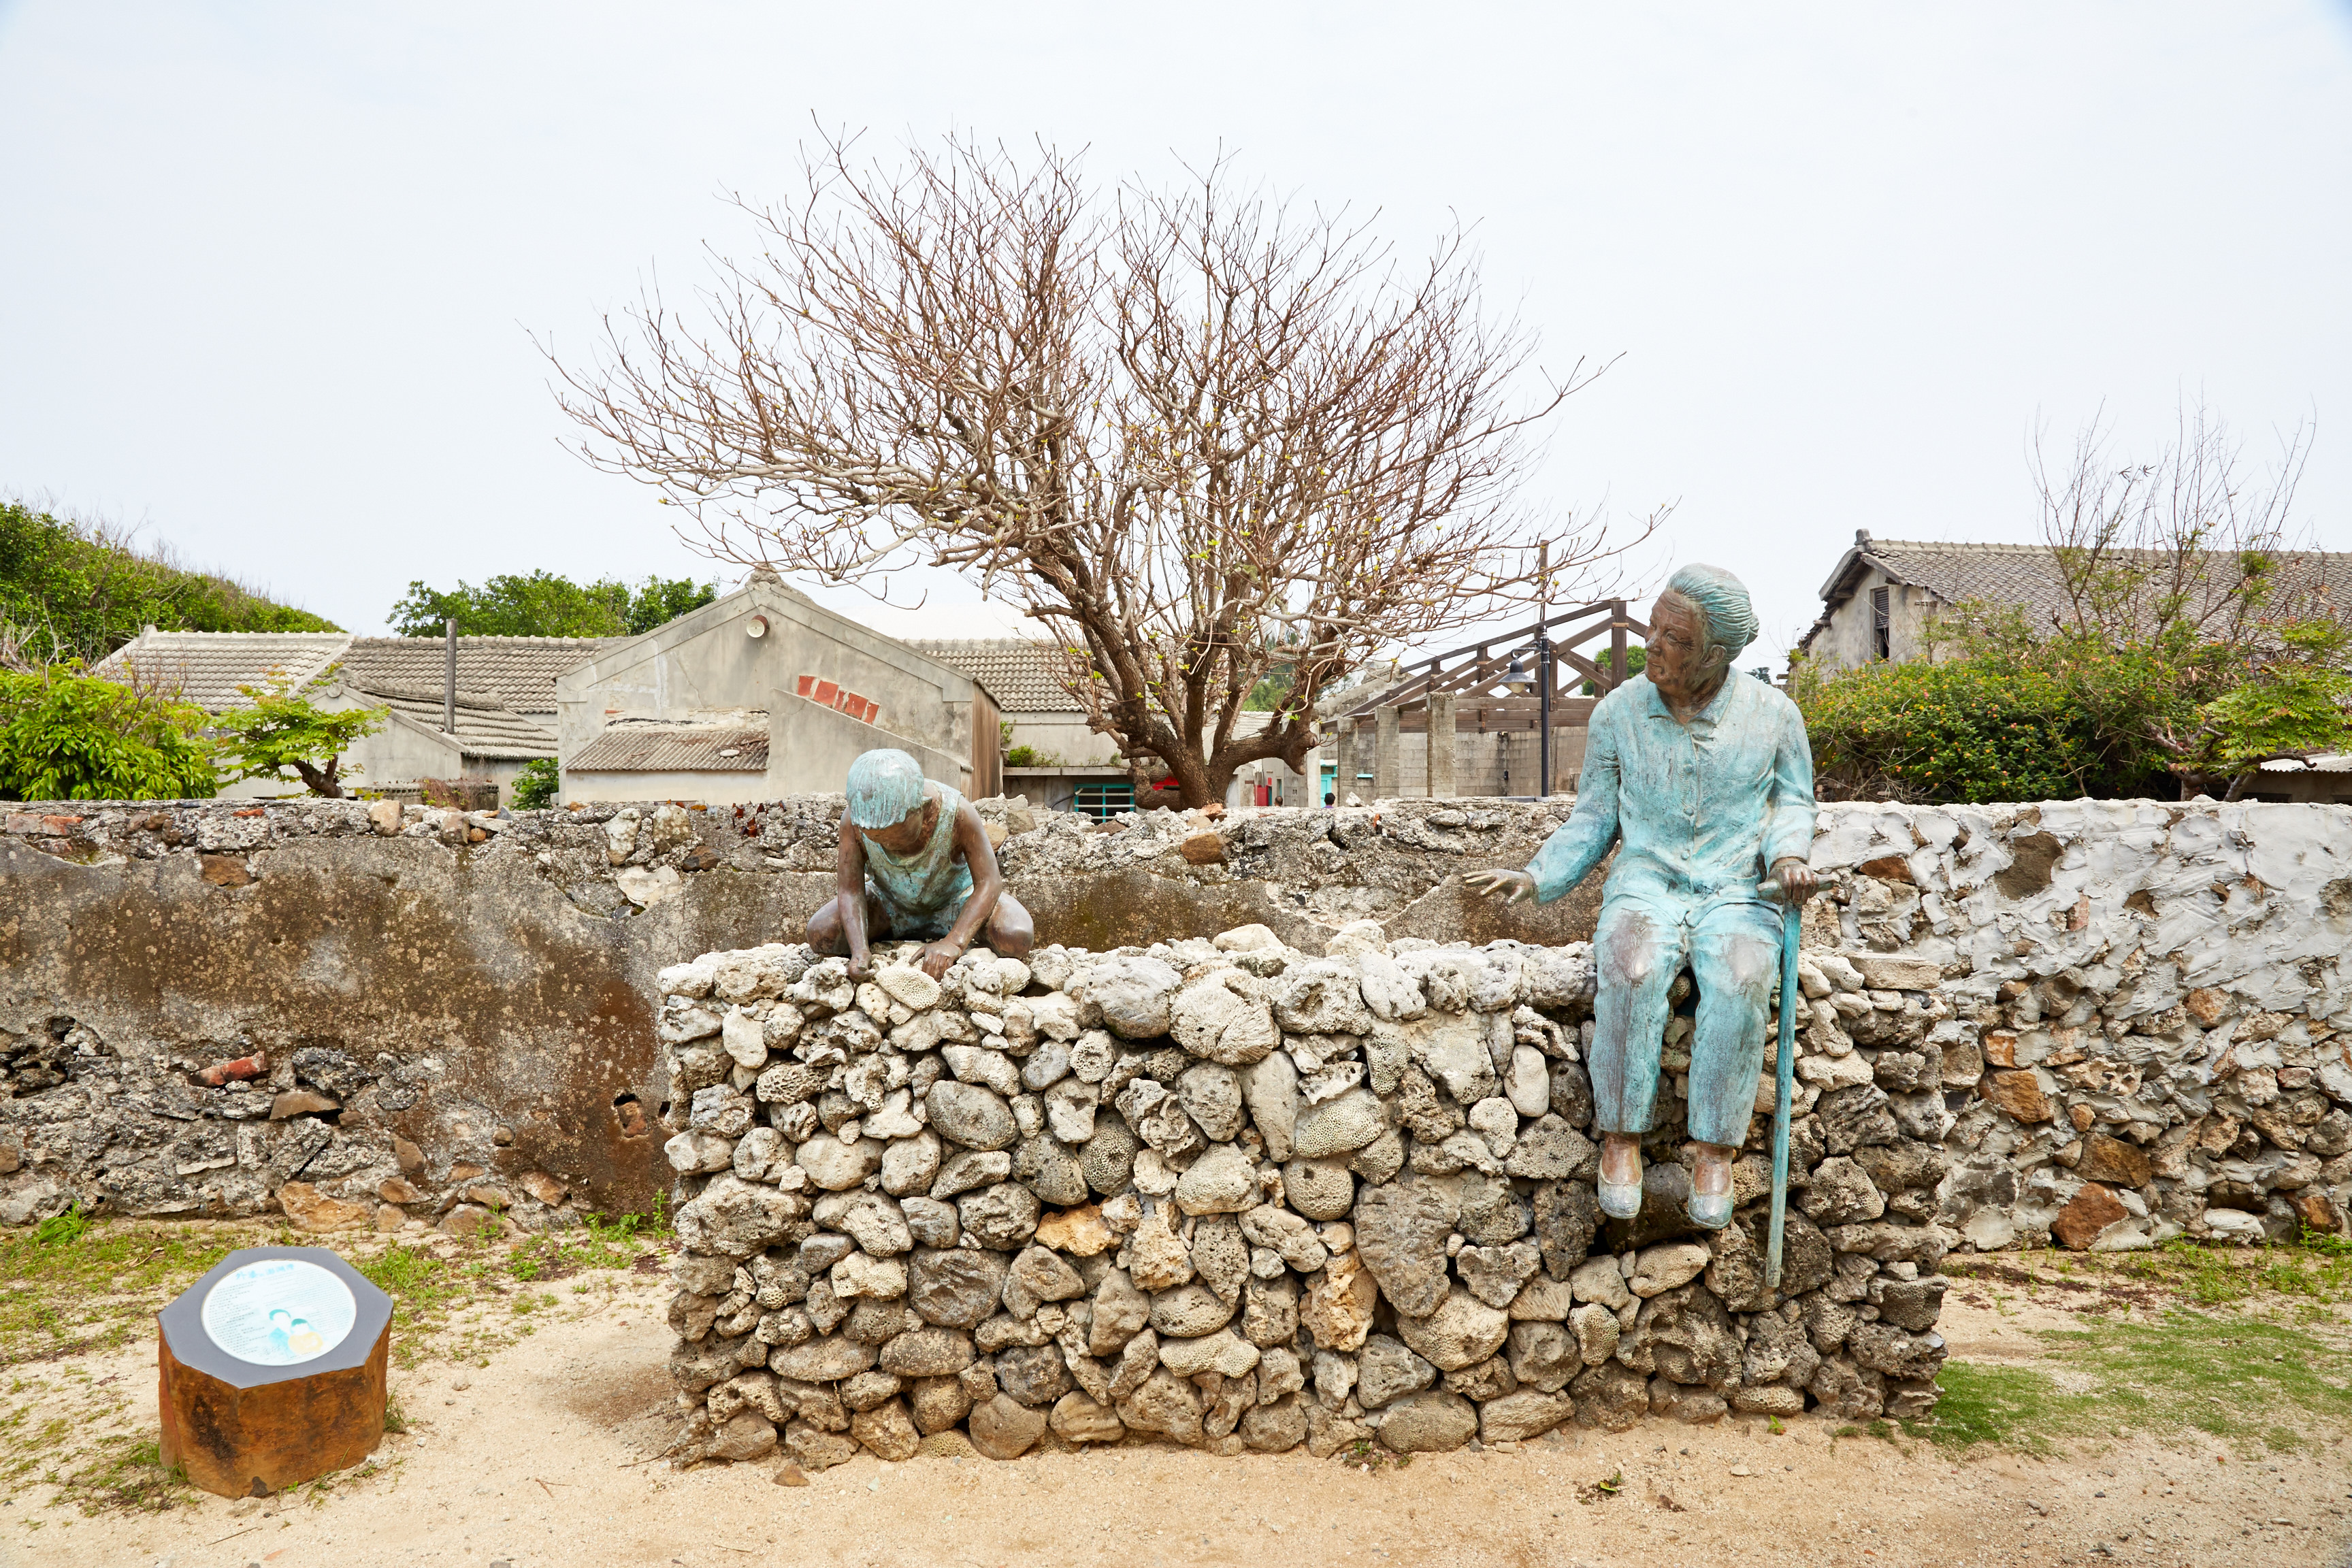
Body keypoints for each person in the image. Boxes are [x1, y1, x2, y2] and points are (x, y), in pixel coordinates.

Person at [1466, 564, 1816, 1230]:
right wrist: (1539, 876)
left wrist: (1790, 858)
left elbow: (1793, 804)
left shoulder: (1775, 716)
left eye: (1673, 638)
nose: (1651, 644)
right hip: (1647, 882)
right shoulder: (1619, 713)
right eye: (1653, 628)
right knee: (1630, 966)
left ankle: (1714, 1153)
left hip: (1737, 888)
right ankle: (1620, 1139)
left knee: (1743, 976)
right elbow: (1594, 818)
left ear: (1716, 654)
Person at [806, 749, 1034, 981]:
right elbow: (850, 890)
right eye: (878, 839)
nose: (889, 847)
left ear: (922, 808)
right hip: (891, 905)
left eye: (898, 837)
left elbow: (989, 883)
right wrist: (859, 950)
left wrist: (954, 942)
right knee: (821, 932)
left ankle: (949, 931)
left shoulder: (958, 813)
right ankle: (900, 931)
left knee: (1016, 936)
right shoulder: (854, 820)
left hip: (956, 903)